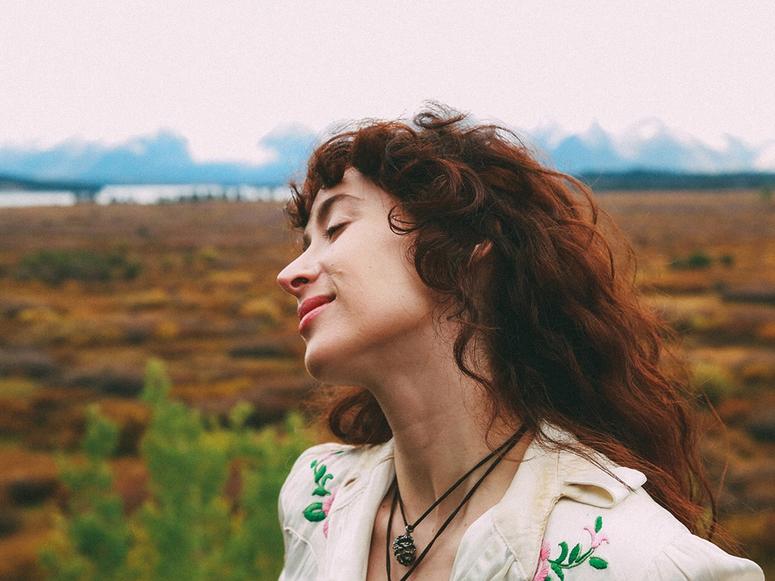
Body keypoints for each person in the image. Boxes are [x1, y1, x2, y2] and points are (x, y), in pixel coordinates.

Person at [274, 104, 764, 580]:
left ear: (464, 249)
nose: (290, 273)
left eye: (335, 228)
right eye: (306, 243)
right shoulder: (316, 502)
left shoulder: (636, 562)